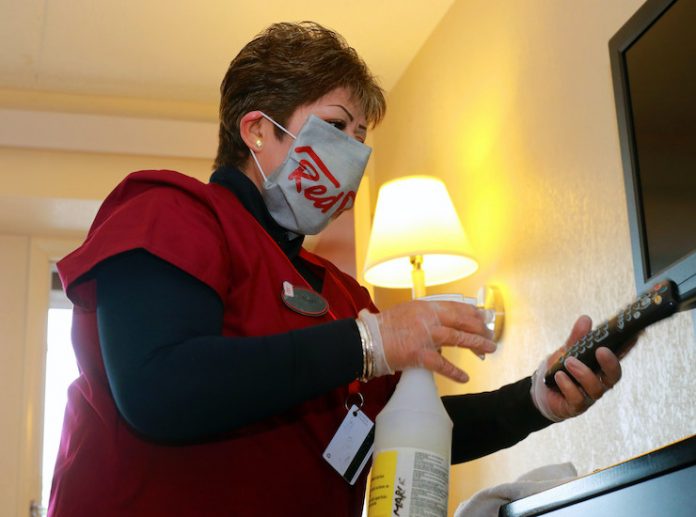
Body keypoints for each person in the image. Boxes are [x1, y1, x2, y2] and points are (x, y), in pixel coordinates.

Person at [49, 21, 625, 517]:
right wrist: (371, 341)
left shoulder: (342, 296)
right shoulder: (172, 212)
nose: (353, 153)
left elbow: (399, 434)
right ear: (257, 130)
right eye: (337, 126)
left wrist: (535, 401)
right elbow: (158, 386)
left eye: (361, 136)